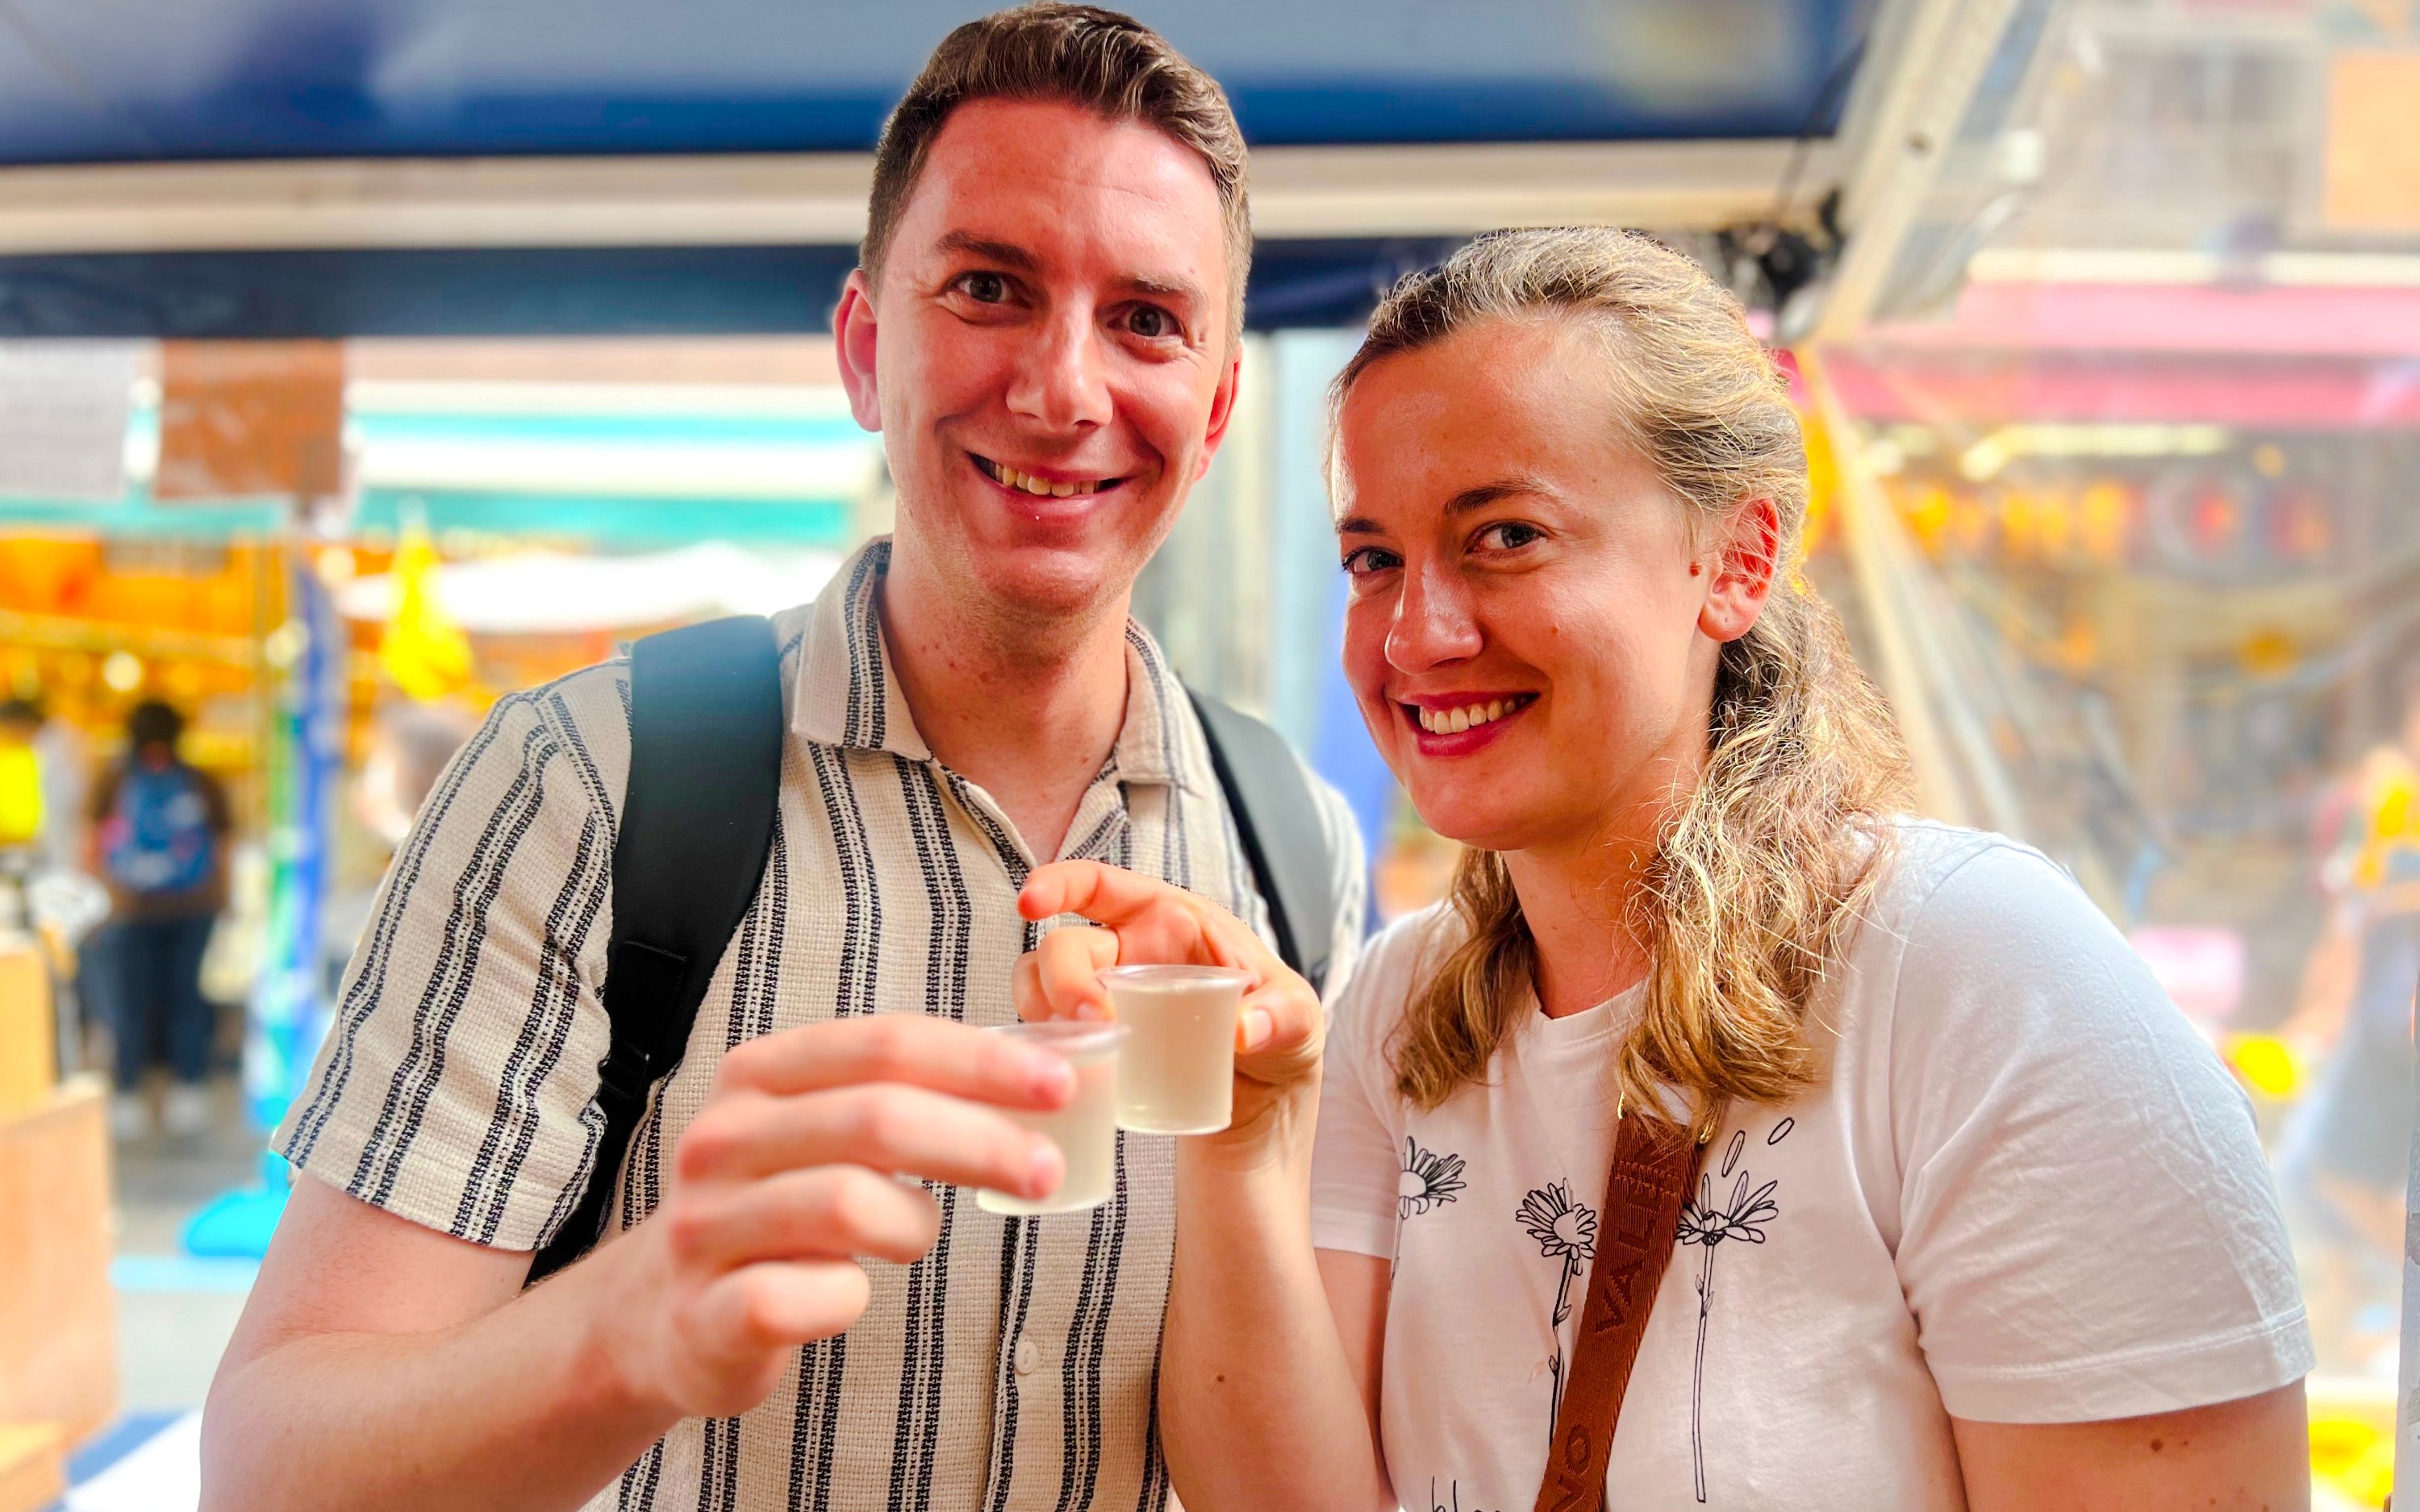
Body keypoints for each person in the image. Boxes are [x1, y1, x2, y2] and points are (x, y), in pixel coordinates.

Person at [201, 8, 1363, 1511]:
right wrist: (630, 1326)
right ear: (866, 349)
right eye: (990, 288)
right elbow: (272, 1470)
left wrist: (1248, 1160)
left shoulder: (1292, 846)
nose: (1064, 390)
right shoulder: (589, 782)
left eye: (1146, 319)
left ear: (1213, 415)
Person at [1014, 227, 2313, 1510]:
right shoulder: (1400, 1007)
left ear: (1737, 560)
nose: (1416, 634)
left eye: (1506, 535)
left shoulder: (1981, 977)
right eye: (1374, 560)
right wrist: (1244, 1134)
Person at [87, 698, 232, 1139]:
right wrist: (224, 899)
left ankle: (127, 1095)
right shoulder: (202, 782)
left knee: (128, 1004)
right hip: (193, 908)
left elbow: (90, 843)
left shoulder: (113, 779)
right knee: (187, 1000)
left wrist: (97, 901)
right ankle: (189, 1091)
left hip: (129, 911)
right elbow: (223, 844)